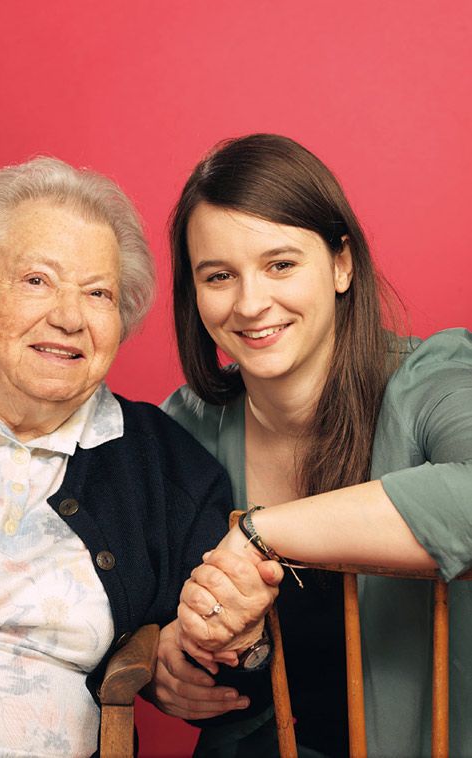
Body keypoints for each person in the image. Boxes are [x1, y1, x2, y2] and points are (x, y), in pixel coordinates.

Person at [0, 157, 280, 758]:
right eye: (36, 280)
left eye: (98, 293)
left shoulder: (163, 463)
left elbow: (221, 680)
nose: (68, 317)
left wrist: (235, 638)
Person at [154, 134, 472, 757]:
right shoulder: (183, 430)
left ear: (341, 264)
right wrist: (174, 648)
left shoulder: (433, 380)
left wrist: (261, 533)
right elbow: (146, 605)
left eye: (280, 264)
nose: (250, 303)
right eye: (219, 276)